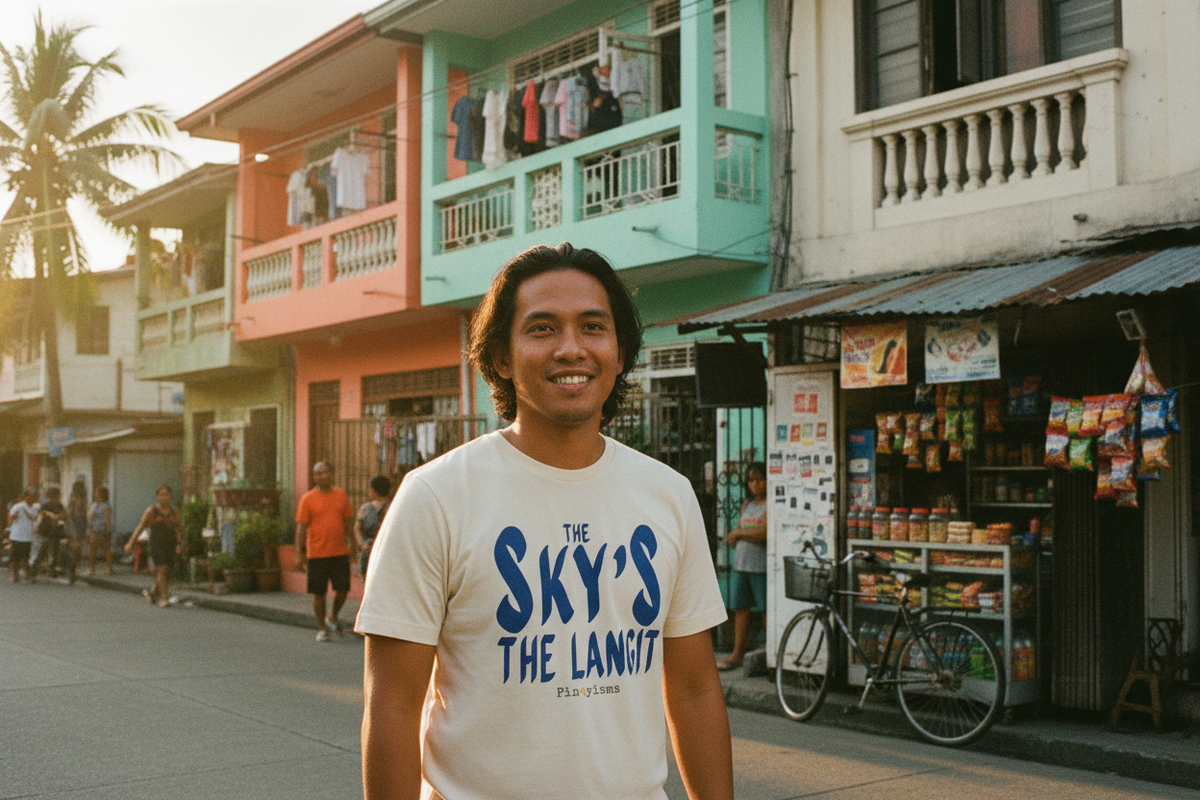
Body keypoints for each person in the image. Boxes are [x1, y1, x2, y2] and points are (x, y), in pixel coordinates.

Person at [357, 243, 734, 800]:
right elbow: (391, 705)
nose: (571, 349)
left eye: (592, 327)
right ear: (502, 357)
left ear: (620, 351)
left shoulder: (669, 496)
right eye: (541, 329)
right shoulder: (436, 496)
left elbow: (695, 689)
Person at [716, 462, 768, 671]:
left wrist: (738, 534)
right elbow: (741, 529)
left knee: (766, 610)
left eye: (759, 479)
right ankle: (738, 653)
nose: (755, 484)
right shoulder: (748, 504)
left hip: (760, 566)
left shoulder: (770, 504)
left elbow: (763, 534)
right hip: (742, 564)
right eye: (751, 480)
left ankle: (769, 654)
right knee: (741, 609)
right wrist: (736, 535)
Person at [295, 461, 355, 642]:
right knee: (318, 593)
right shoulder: (307, 498)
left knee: (343, 588)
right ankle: (322, 628)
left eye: (325, 472)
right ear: (314, 477)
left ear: (331, 474)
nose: (321, 476)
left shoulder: (341, 495)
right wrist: (299, 553)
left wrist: (353, 544)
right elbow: (301, 527)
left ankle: (333, 616)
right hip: (317, 553)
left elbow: (347, 522)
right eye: (317, 473)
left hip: (339, 552)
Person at [125, 485, 180, 608]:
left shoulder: (174, 511)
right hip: (156, 544)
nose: (164, 497)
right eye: (161, 495)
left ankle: (154, 592)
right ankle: (164, 598)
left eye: (166, 495)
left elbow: (179, 528)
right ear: (157, 496)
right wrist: (131, 543)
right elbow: (141, 527)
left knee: (166, 571)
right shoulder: (152, 511)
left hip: (170, 543)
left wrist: (182, 541)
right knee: (162, 569)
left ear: (170, 496)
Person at [354, 474, 391, 581]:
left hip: (368, 549)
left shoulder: (365, 508)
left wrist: (362, 544)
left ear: (373, 490)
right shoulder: (393, 506)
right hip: (386, 550)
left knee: (367, 582)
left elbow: (357, 528)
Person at [32, 486, 67, 580]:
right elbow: (42, 514)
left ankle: (51, 569)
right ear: (51, 496)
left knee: (55, 551)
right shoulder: (45, 505)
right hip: (46, 531)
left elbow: (64, 515)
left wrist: (63, 519)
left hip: (56, 531)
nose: (58, 497)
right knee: (42, 551)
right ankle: (33, 572)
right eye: (57, 495)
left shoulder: (60, 505)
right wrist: (48, 516)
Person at [7, 487, 39, 583]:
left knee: (25, 558)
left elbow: (35, 519)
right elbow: (10, 517)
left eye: (34, 497)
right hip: (16, 535)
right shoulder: (19, 506)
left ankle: (26, 576)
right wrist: (13, 517)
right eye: (30, 496)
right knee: (14, 558)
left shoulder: (35, 507)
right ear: (26, 497)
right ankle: (15, 575)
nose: (32, 499)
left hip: (27, 536)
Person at [65, 479, 89, 584]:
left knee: (76, 547)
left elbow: (69, 512)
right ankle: (72, 569)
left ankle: (72, 569)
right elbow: (71, 512)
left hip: (76, 523)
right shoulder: (77, 498)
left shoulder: (76, 497)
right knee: (76, 547)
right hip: (77, 523)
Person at [87, 486, 114, 576]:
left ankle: (109, 569)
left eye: (97, 493)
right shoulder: (95, 504)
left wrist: (108, 531)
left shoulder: (106, 505)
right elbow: (90, 516)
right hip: (94, 530)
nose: (95, 495)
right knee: (93, 550)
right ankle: (92, 569)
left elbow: (107, 519)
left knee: (106, 550)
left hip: (102, 530)